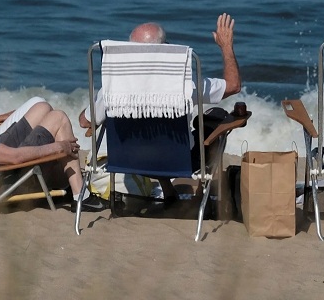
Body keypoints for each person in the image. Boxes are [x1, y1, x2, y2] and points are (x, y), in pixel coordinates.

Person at [78, 13, 242, 201]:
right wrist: (226, 46)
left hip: (126, 161)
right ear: (165, 50)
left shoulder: (114, 91)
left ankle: (169, 190)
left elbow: (85, 122)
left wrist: (96, 104)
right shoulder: (186, 86)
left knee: (149, 132)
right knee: (216, 117)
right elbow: (233, 85)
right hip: (177, 161)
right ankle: (199, 197)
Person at [0, 59, 107, 211]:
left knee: (41, 108)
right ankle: (80, 197)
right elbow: (13, 158)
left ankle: (70, 182)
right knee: (58, 118)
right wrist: (59, 147)